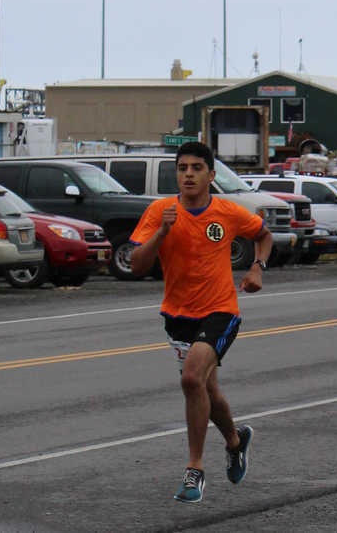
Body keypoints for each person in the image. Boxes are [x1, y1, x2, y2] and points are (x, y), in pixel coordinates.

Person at [129, 141, 273, 503]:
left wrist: (258, 267)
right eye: (182, 168)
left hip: (221, 311)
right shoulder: (159, 212)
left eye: (196, 168)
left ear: (211, 174)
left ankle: (195, 470)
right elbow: (136, 265)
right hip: (177, 315)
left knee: (191, 378)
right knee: (207, 392)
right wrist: (162, 232)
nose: (188, 174)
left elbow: (263, 235)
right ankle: (236, 441)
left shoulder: (228, 211)